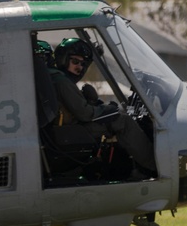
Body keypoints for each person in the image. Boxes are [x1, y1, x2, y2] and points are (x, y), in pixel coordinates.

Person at [50, 38, 157, 178]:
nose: (80, 67)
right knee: (124, 122)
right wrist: (106, 110)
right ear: (63, 59)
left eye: (83, 64)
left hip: (70, 129)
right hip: (74, 130)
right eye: (75, 62)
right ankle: (155, 167)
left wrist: (96, 104)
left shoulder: (57, 77)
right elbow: (85, 114)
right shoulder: (62, 82)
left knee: (118, 116)